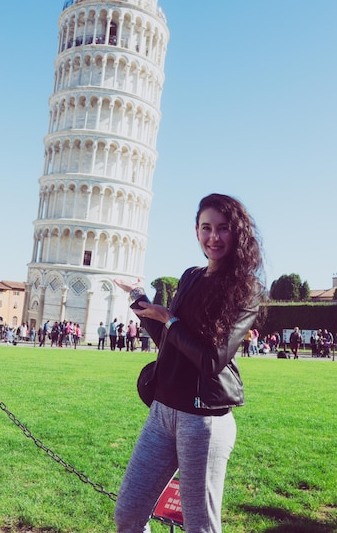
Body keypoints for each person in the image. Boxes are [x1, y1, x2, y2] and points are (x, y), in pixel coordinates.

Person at [113, 193, 265, 533]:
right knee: (128, 514)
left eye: (223, 228)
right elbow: (170, 338)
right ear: (196, 231)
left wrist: (170, 319)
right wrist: (139, 299)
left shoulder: (246, 290)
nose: (214, 237)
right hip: (162, 411)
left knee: (200, 527)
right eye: (206, 228)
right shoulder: (192, 276)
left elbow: (211, 360)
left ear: (237, 232)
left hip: (204, 422)